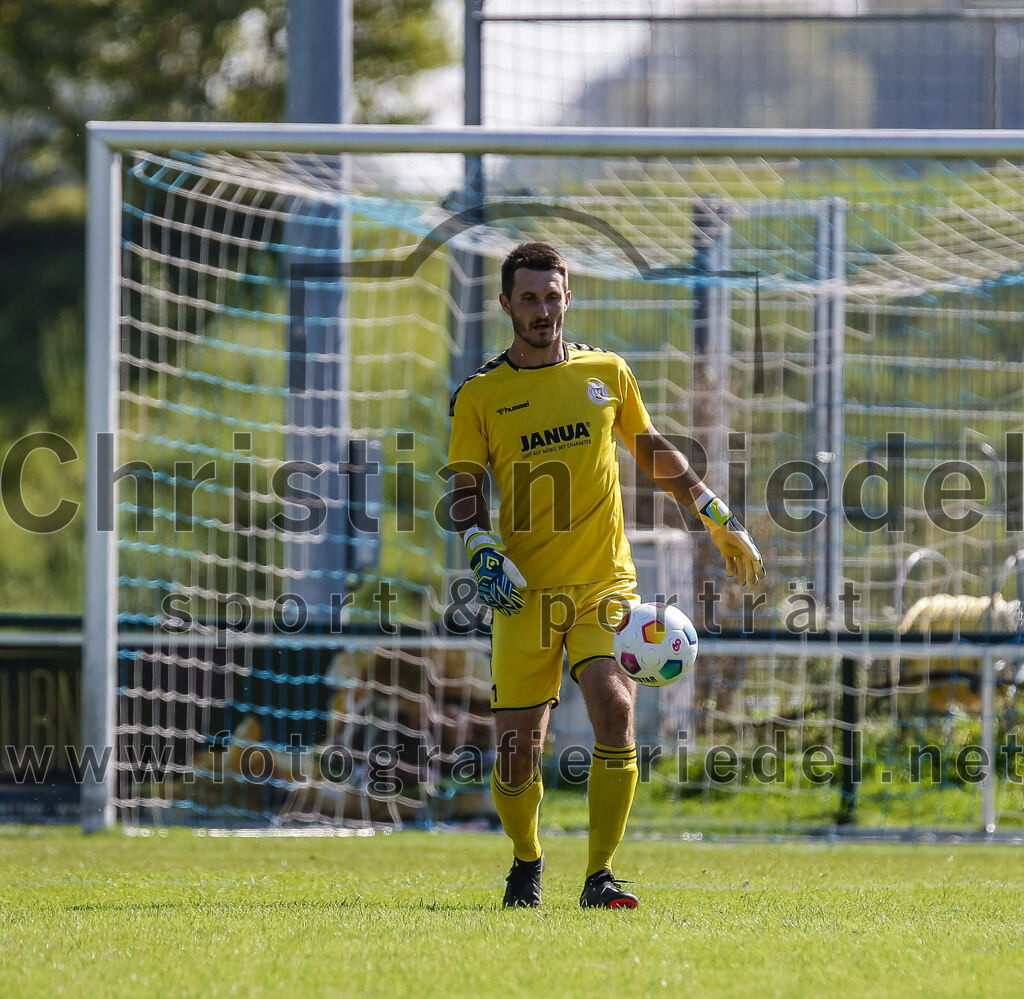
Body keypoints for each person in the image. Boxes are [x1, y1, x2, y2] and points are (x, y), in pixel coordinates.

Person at [447, 242, 765, 909]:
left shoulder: (607, 374)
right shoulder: (481, 394)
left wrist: (714, 511)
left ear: (570, 297)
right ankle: (527, 859)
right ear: (506, 304)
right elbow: (466, 486)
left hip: (603, 586)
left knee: (617, 707)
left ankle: (599, 876)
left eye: (552, 295)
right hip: (522, 594)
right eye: (529, 297)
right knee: (515, 755)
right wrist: (479, 543)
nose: (543, 309)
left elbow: (650, 448)